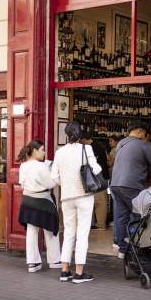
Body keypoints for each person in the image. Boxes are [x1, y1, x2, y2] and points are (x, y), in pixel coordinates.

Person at [51, 121, 102, 284]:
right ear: (80, 134)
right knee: (82, 234)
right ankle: (79, 273)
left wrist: (66, 184)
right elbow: (97, 170)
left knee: (68, 233)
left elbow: (54, 177)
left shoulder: (59, 152)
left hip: (66, 197)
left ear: (67, 134)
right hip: (84, 196)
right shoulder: (86, 149)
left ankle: (65, 270)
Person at [110, 122, 151, 258]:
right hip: (131, 184)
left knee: (121, 216)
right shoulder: (142, 144)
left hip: (115, 184)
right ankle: (136, 248)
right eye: (145, 135)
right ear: (140, 132)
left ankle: (123, 248)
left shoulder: (121, 143)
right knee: (137, 215)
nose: (146, 139)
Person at [17, 140, 61, 273]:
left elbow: (22, 184)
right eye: (42, 150)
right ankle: (54, 260)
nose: (44, 152)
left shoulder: (23, 166)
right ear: (35, 151)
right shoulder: (41, 166)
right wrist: (53, 171)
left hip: (27, 201)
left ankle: (33, 262)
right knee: (51, 229)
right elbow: (51, 184)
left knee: (32, 230)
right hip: (43, 201)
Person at [80, 131, 109, 231]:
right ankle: (98, 223)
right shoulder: (98, 146)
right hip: (101, 177)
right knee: (99, 201)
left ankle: (101, 224)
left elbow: (94, 166)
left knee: (99, 202)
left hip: (98, 178)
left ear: (84, 139)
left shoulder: (92, 148)